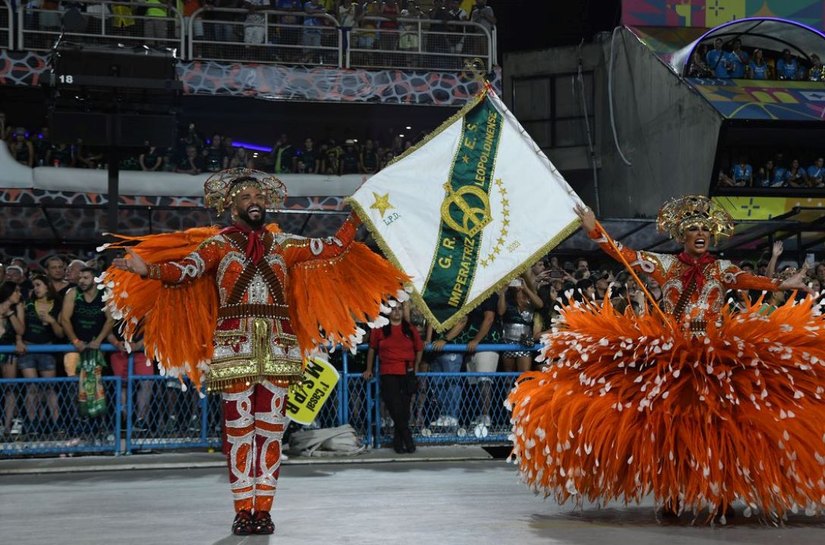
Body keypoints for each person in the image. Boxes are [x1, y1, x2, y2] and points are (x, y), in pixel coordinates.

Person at [103, 168, 406, 535]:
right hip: (234, 348)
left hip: (279, 347)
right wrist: (147, 269)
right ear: (232, 207)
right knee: (238, 431)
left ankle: (263, 510)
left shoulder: (285, 245)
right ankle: (242, 510)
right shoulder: (218, 245)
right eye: (246, 198)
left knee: (270, 430)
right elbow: (184, 270)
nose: (255, 202)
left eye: (259, 197)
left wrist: (356, 212)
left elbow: (334, 247)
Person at [507, 195, 820, 523]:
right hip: (674, 364)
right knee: (670, 434)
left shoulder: (722, 269)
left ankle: (721, 496)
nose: (701, 234)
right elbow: (623, 254)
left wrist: (784, 282)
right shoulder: (663, 265)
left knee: (723, 433)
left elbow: (749, 281)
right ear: (682, 235)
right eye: (694, 229)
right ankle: (671, 495)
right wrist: (594, 229)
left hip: (716, 364)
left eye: (705, 230)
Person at [362, 302, 423, 454]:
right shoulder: (381, 329)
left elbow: (419, 348)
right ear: (388, 312)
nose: (396, 312)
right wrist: (369, 369)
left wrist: (415, 368)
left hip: (406, 372)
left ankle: (398, 442)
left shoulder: (410, 329)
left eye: (399, 309)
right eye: (393, 309)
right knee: (395, 406)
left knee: (404, 409)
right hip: (388, 371)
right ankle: (407, 438)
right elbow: (372, 349)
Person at [59, 267, 114, 419]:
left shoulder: (105, 294)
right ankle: (75, 420)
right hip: (74, 347)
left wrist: (98, 341)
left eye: (86, 278)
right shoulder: (73, 293)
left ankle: (97, 421)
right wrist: (75, 341)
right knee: (73, 384)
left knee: (96, 384)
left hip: (96, 348)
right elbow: (65, 319)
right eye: (80, 277)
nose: (81, 281)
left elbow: (110, 320)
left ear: (95, 279)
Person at [14, 274, 65, 436]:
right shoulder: (27, 304)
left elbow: (60, 334)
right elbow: (20, 327)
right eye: (34, 286)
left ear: (47, 286)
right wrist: (19, 340)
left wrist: (52, 321)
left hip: (47, 350)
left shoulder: (57, 305)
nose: (35, 288)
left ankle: (56, 424)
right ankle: (32, 423)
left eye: (38, 285)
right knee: (32, 387)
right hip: (28, 350)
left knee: (49, 388)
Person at [0, 282, 23, 437]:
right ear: (9, 293)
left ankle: (7, 426)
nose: (19, 294)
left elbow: (21, 329)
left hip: (9, 352)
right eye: (17, 291)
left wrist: (10, 315)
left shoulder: (18, 307)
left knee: (10, 388)